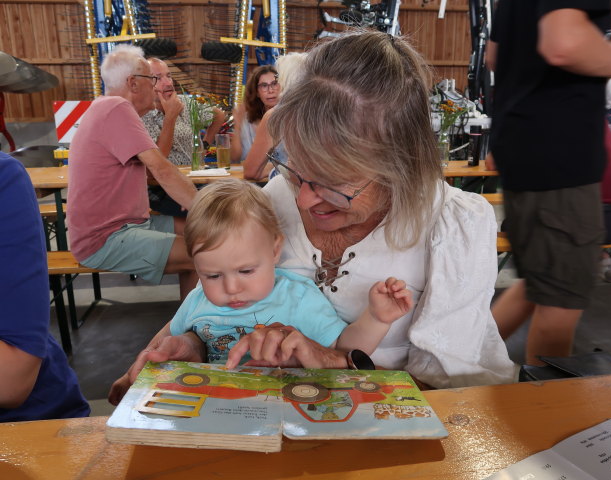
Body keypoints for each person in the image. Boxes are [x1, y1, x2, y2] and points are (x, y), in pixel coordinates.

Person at [109, 31, 518, 402]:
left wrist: (337, 364)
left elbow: (456, 397)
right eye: (296, 170)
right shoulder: (276, 197)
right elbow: (219, 313)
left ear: (401, 166)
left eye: (332, 184)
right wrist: (190, 346)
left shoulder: (452, 225)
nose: (303, 200)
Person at [486, 1, 611, 365]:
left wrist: (602, 57)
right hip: (561, 158)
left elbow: (496, 56)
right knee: (560, 303)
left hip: (525, 150)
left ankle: (455, 369)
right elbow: (564, 45)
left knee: (540, 286)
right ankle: (540, 409)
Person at [149, 178, 412, 368]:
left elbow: (343, 349)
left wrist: (377, 319)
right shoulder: (198, 300)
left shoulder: (297, 297)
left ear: (275, 250)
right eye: (212, 276)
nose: (231, 288)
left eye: (246, 270)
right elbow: (165, 341)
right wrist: (136, 374)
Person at [67, 44, 199, 300]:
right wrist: (204, 206)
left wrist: (192, 205)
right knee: (204, 255)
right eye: (152, 78)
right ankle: (189, 331)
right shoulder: (117, 108)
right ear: (133, 83)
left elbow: (151, 172)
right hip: (105, 238)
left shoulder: (103, 107)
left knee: (199, 230)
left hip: (127, 225)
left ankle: (192, 323)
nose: (156, 85)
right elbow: (161, 169)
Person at [492, 122, 611, 341]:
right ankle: (477, 355)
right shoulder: (588, 111)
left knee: (549, 294)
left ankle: (475, 355)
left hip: (587, 214)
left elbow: (493, 162)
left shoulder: (542, 112)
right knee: (543, 286)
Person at [0, 152, 90, 422]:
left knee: (196, 250)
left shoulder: (5, 176)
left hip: (25, 422)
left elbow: (11, 383)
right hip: (95, 237)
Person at [142, 57, 228, 217]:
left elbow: (218, 114)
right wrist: (171, 117)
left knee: (231, 200)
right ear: (143, 83)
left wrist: (205, 144)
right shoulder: (142, 113)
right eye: (158, 78)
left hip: (196, 180)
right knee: (214, 213)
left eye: (168, 76)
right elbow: (157, 162)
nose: (168, 82)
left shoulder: (183, 102)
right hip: (161, 186)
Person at [242, 53, 307, 180]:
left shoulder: (277, 116)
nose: (271, 89)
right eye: (264, 85)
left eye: (276, 80)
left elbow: (251, 172)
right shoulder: (325, 112)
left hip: (292, 190)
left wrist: (276, 167)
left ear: (285, 80)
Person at [230, 65, 280, 167]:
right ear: (257, 92)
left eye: (274, 84)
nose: (270, 90)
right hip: (252, 181)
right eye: (264, 85)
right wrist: (237, 125)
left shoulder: (290, 118)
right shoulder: (247, 120)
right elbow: (234, 158)